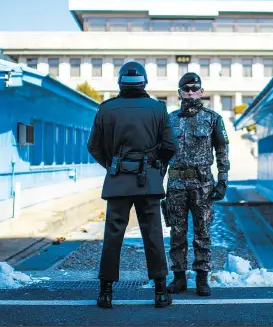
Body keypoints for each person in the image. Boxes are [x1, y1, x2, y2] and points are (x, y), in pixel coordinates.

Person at [87, 61, 178, 309]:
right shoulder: (158, 109)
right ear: (144, 83)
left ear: (120, 83)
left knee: (113, 235)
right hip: (148, 180)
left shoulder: (106, 109)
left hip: (118, 180)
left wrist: (112, 165)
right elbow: (170, 146)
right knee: (153, 234)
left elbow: (93, 146)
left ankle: (105, 292)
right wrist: (157, 168)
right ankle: (160, 290)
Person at [165, 72, 230, 297]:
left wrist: (223, 181)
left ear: (201, 92)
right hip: (175, 184)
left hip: (202, 185)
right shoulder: (169, 120)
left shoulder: (213, 118)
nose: (190, 93)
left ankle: (202, 278)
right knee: (177, 233)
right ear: (179, 93)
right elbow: (161, 154)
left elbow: (222, 151)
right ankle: (179, 278)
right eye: (186, 89)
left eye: (195, 89)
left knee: (202, 232)